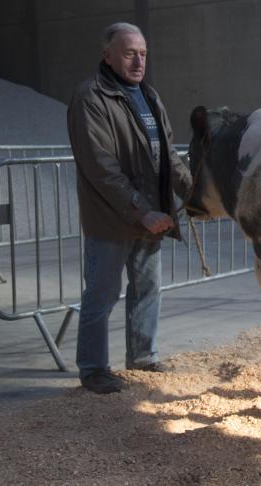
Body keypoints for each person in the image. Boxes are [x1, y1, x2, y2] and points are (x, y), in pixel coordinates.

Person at [67, 22, 192, 394]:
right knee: (102, 295)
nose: (138, 61)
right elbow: (102, 168)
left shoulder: (149, 96)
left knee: (148, 289)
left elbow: (168, 156)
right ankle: (92, 369)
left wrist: (196, 193)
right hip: (112, 218)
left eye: (143, 54)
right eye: (129, 53)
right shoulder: (91, 97)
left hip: (149, 218)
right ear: (107, 55)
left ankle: (142, 357)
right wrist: (142, 211)